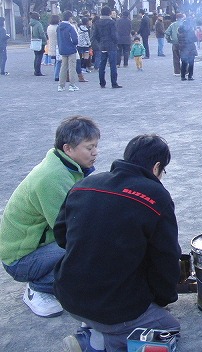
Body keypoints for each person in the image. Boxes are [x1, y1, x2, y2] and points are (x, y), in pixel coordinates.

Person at [54, 134, 180, 352]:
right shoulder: (156, 196)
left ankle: (91, 328)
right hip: (115, 309)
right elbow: (166, 258)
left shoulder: (86, 183)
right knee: (169, 327)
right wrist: (163, 298)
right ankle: (98, 343)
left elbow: (61, 235)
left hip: (68, 296)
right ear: (157, 166)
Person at [0, 116, 100, 318]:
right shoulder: (52, 178)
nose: (95, 152)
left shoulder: (64, 165)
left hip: (40, 245)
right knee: (91, 262)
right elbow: (71, 230)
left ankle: (49, 279)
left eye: (96, 146)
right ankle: (38, 286)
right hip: (21, 258)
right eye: (89, 148)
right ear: (68, 148)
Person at [93, 6, 122, 89]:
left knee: (102, 64)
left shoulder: (97, 22)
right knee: (113, 65)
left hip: (102, 45)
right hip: (111, 45)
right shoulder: (112, 22)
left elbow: (95, 35)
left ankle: (102, 82)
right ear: (109, 13)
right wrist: (116, 42)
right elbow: (114, 35)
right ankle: (114, 83)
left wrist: (100, 42)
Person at [57, 10, 80, 92]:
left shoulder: (59, 27)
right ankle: (72, 85)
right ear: (70, 18)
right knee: (72, 68)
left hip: (62, 49)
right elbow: (75, 39)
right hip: (71, 49)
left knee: (63, 67)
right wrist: (75, 45)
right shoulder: (70, 27)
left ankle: (61, 85)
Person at [30, 12, 47, 76]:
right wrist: (45, 40)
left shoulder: (32, 24)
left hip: (35, 41)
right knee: (39, 57)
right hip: (40, 42)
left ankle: (36, 70)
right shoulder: (38, 24)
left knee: (36, 56)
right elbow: (42, 33)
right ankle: (38, 71)